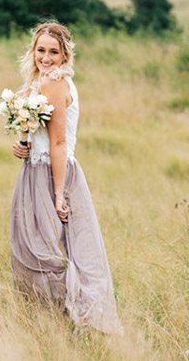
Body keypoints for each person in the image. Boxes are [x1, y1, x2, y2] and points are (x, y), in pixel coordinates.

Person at [9, 21, 122, 334]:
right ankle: (50, 322)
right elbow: (40, 135)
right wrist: (22, 144)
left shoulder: (56, 83)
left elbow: (59, 142)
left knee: (48, 251)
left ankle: (72, 319)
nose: (46, 58)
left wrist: (59, 194)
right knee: (32, 247)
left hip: (53, 174)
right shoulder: (38, 82)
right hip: (34, 170)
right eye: (41, 50)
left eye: (53, 52)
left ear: (64, 56)